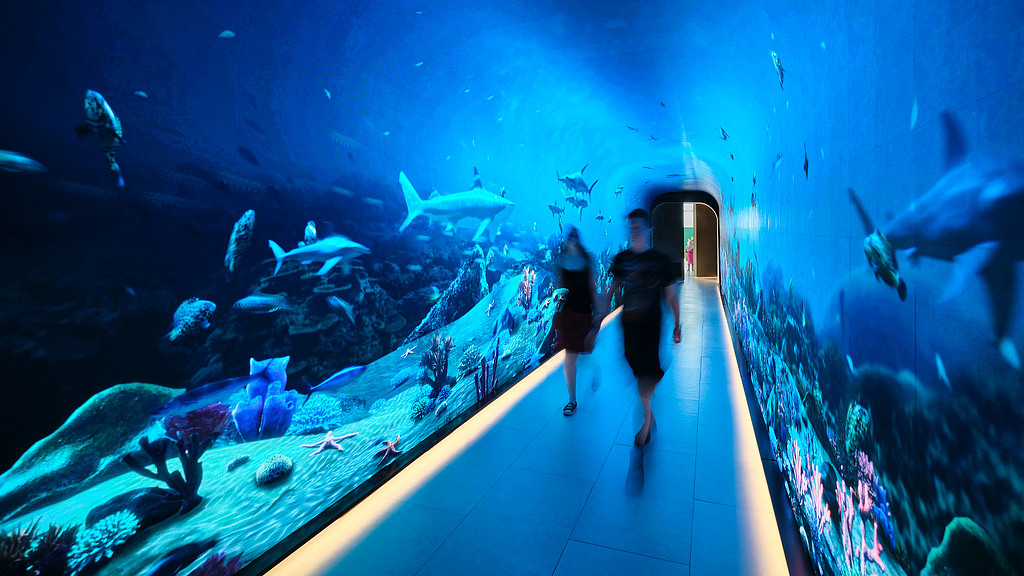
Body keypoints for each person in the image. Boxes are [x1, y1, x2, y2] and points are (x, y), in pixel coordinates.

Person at [604, 209, 681, 446]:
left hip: (651, 327)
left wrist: (678, 324)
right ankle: (648, 409)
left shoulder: (661, 261)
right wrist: (597, 321)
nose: (634, 231)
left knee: (647, 375)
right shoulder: (621, 259)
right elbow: (612, 290)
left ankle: (646, 425)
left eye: (638, 227)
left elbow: (670, 296)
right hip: (628, 326)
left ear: (649, 230)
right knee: (637, 371)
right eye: (631, 227)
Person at [552, 227, 602, 416]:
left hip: (583, 313)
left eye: (574, 238)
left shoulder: (586, 260)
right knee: (570, 356)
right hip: (567, 314)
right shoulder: (562, 261)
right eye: (569, 239)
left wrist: (597, 312)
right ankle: (572, 400)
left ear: (578, 240)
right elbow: (559, 288)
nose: (571, 242)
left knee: (584, 354)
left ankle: (596, 369)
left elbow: (592, 285)